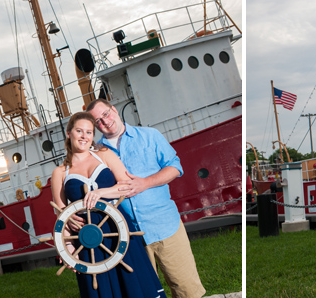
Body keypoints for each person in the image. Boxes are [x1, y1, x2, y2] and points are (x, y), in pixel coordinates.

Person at [86, 99, 206, 298]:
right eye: (98, 121)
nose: (105, 122)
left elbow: (175, 167)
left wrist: (145, 183)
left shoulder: (150, 136)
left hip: (165, 226)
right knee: (144, 294)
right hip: (129, 237)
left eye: (106, 114)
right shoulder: (97, 154)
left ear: (114, 109)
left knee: (187, 290)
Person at [51, 112, 166, 298]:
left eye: (89, 132)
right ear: (68, 133)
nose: (84, 136)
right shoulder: (59, 173)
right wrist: (69, 249)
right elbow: (60, 214)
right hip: (88, 238)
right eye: (79, 131)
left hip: (118, 228)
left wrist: (100, 193)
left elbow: (127, 186)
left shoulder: (104, 155)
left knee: (134, 283)